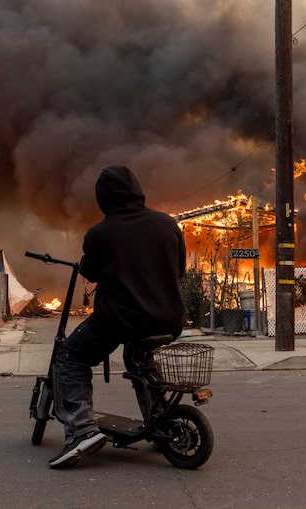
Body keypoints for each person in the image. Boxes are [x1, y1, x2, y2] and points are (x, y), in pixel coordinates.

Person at [48, 164, 186, 469]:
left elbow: (92, 272)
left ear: (102, 199)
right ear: (137, 190)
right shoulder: (168, 224)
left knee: (70, 357)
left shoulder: (100, 234)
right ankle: (161, 422)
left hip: (121, 319)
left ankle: (82, 431)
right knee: (140, 359)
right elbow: (180, 271)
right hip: (169, 319)